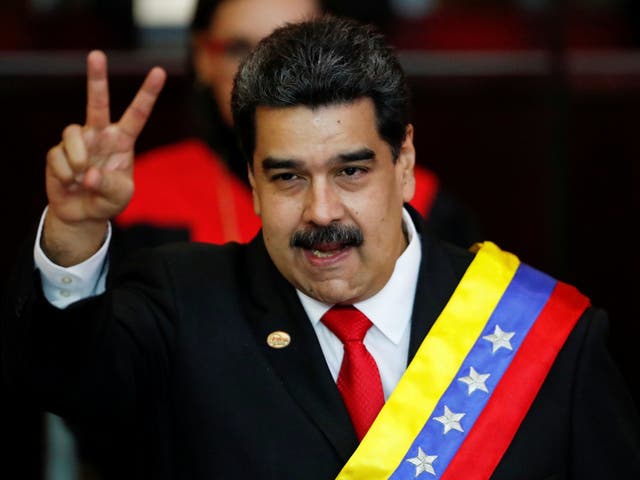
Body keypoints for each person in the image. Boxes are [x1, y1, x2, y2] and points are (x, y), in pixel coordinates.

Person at [3, 15, 639, 480]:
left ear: (405, 162)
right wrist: (76, 232)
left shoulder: (547, 338)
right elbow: (67, 379)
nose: (321, 211)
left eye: (351, 171)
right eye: (287, 177)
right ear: (252, 182)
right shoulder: (183, 303)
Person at [113, 0, 482, 258]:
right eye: (239, 48)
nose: (265, 70)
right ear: (202, 57)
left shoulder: (415, 199)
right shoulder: (137, 197)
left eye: (292, 45)